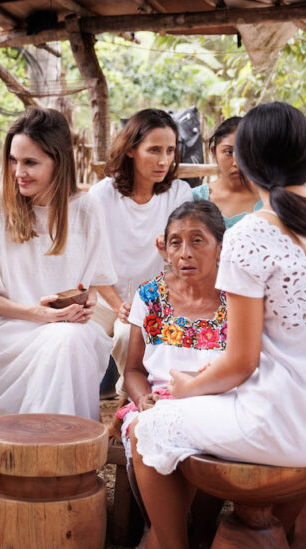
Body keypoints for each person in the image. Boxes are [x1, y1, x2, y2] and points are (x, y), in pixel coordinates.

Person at [97, 102, 306, 549]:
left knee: (148, 429)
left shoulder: (252, 234)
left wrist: (187, 387)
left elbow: (241, 363)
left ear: (246, 162)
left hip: (284, 424)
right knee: (173, 420)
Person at [0, 106, 117, 422]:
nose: (18, 172)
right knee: (65, 340)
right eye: (13, 160)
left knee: (72, 338)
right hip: (3, 329)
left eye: (30, 162)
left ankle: (63, 445)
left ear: (59, 162)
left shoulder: (86, 209)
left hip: (62, 330)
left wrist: (82, 306)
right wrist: (36, 314)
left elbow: (91, 287)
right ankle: (51, 446)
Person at [111, 200, 228, 549]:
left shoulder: (237, 298)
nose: (185, 253)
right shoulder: (150, 296)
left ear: (220, 248)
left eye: (198, 241)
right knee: (146, 428)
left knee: (207, 434)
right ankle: (158, 530)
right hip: (157, 402)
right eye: (175, 242)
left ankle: (202, 532)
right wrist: (143, 399)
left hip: (217, 400)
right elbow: (133, 370)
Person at [90, 109, 194, 400]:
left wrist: (169, 256)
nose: (164, 161)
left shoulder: (178, 193)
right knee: (77, 340)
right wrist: (116, 304)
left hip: (153, 299)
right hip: (101, 297)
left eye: (170, 151)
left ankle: (132, 404)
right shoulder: (102, 195)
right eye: (154, 150)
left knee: (128, 335)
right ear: (131, 150)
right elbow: (90, 260)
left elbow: (184, 262)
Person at [191, 117, 262, 228]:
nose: (236, 163)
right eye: (228, 152)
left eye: (245, 152)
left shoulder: (268, 200)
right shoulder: (195, 198)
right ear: (214, 152)